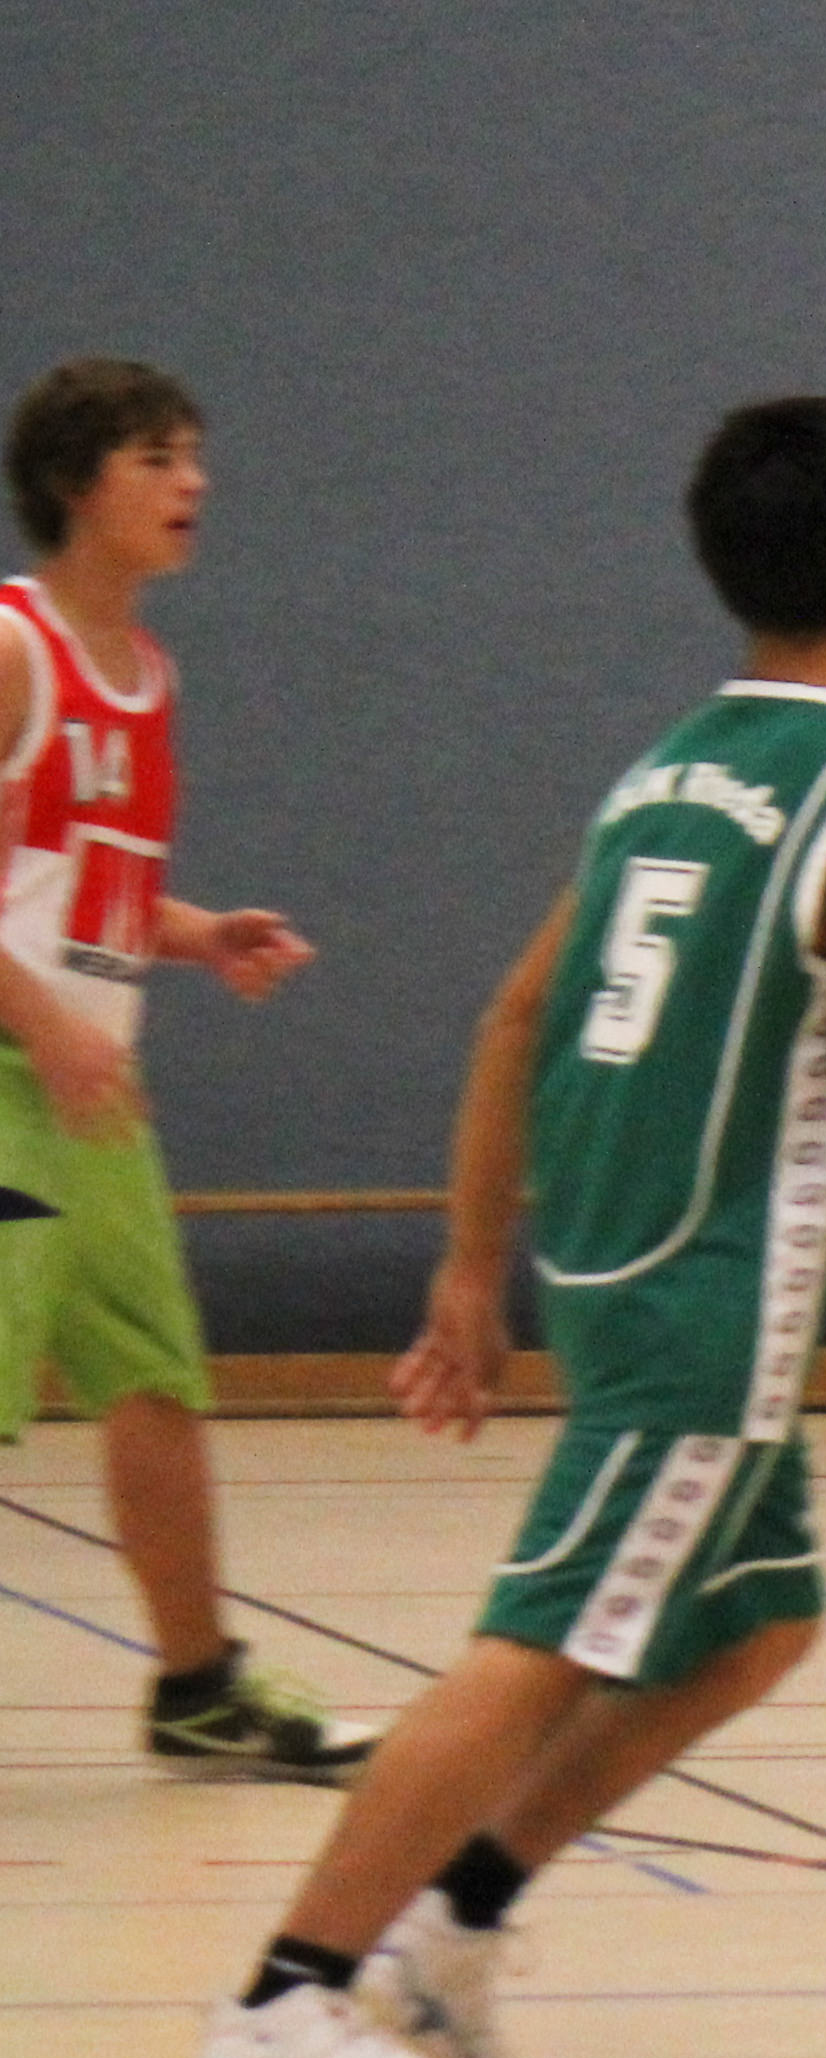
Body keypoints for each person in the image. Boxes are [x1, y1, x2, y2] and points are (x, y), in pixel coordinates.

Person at [191, 397, 826, 2058]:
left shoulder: (664, 772)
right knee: (546, 1646)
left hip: (610, 1263)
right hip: (712, 1300)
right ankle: (284, 2006)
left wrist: (473, 1270)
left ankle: (453, 1924)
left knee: (759, 1621)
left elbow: (515, 1016)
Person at [0, 359, 366, 1782]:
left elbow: (77, 886)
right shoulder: (16, 648)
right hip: (16, 1077)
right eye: (157, 457)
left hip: (90, 1098)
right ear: (75, 484)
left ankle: (199, 1686)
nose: (193, 482)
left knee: (155, 1381)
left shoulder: (148, 676)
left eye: (194, 455)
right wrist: (43, 1024)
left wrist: (199, 935)